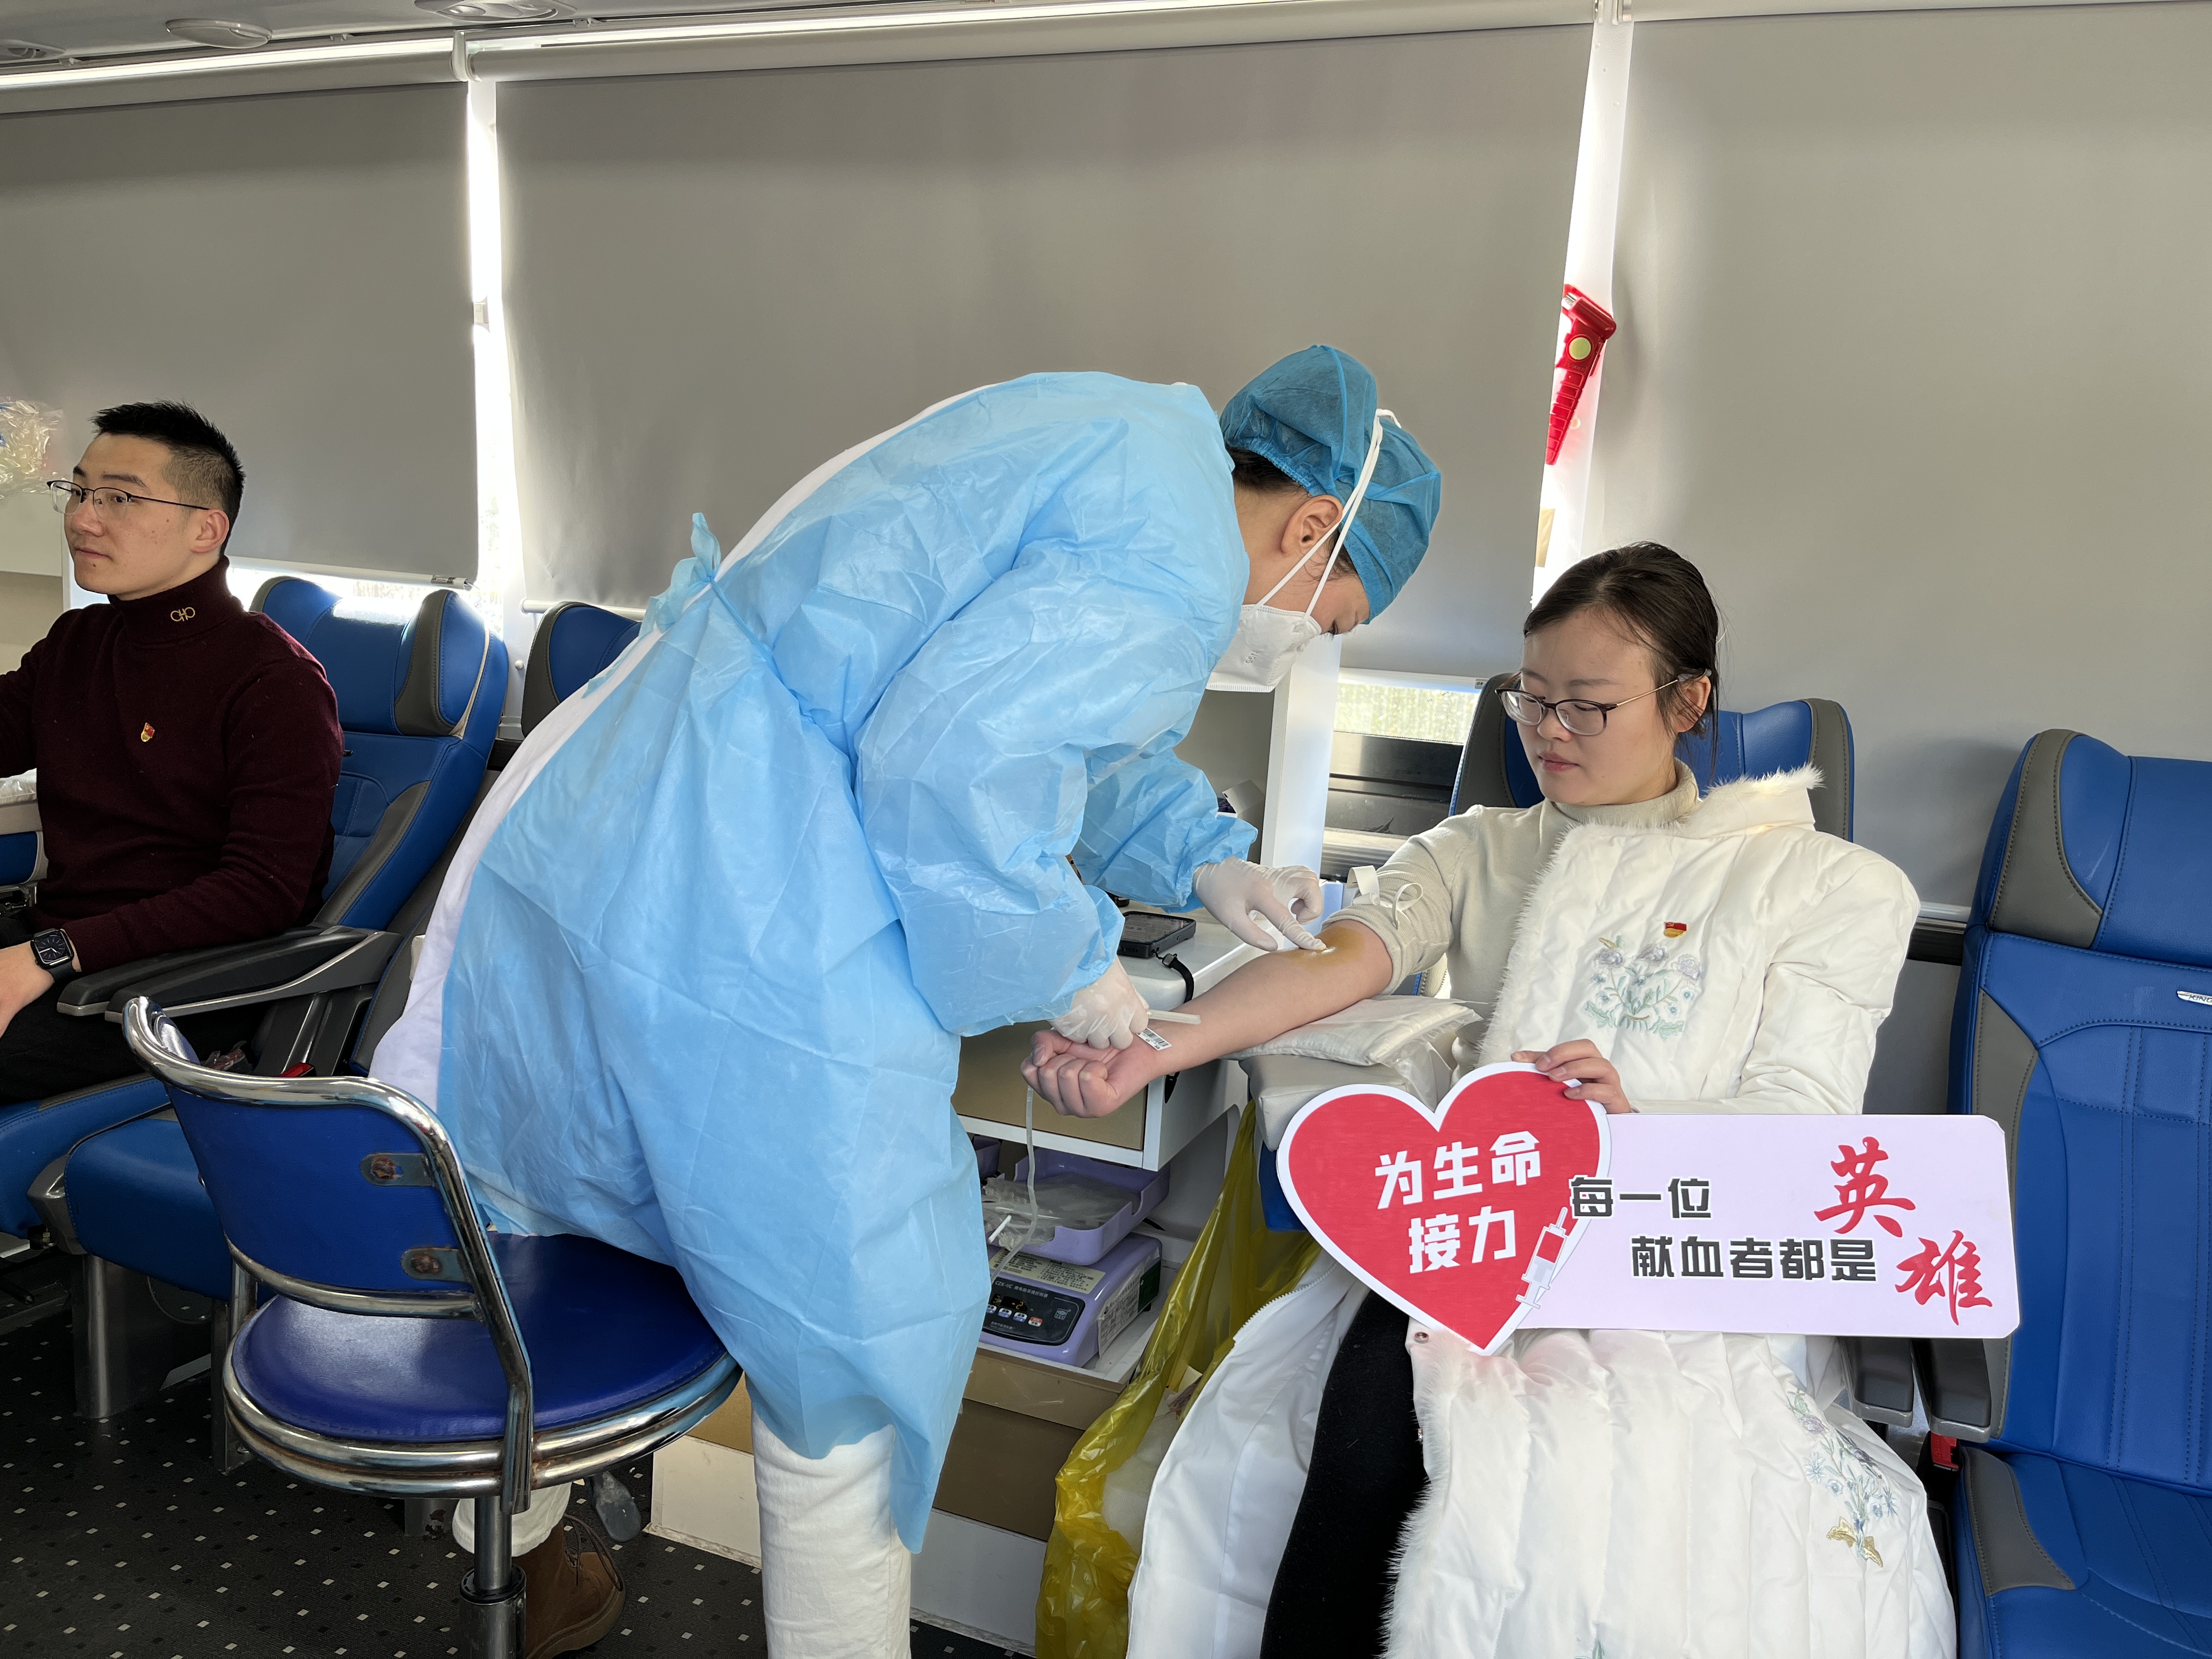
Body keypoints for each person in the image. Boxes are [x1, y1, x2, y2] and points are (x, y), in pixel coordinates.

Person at [375, 349, 1442, 1657]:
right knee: (867, 1330)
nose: (1303, 640)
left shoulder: (1116, 441)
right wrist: (1071, 963)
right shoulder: (1172, 563)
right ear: (1313, 526)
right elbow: (955, 765)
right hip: (748, 898)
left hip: (608, 836)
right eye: (1329, 619)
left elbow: (1031, 720)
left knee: (551, 1212)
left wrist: (1202, 856)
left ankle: (527, 1543)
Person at [1028, 544, 1953, 1659]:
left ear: (1688, 701)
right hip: (1474, 1235)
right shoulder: (1477, 847)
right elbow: (1342, 960)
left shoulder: (1811, 885)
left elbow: (1806, 1121)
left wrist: (1640, 1124)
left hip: (1679, 1257)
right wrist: (1153, 1047)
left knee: (1632, 1538)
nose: (1548, 732)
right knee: (1370, 1442)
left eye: (1588, 705)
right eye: (1531, 697)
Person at [0, 402, 341, 1105]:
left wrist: (51, 955)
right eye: (79, 491)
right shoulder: (80, 642)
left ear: (206, 529)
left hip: (178, 987)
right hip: (60, 945)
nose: (83, 518)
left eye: (119, 499)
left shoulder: (275, 681)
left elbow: (261, 890)